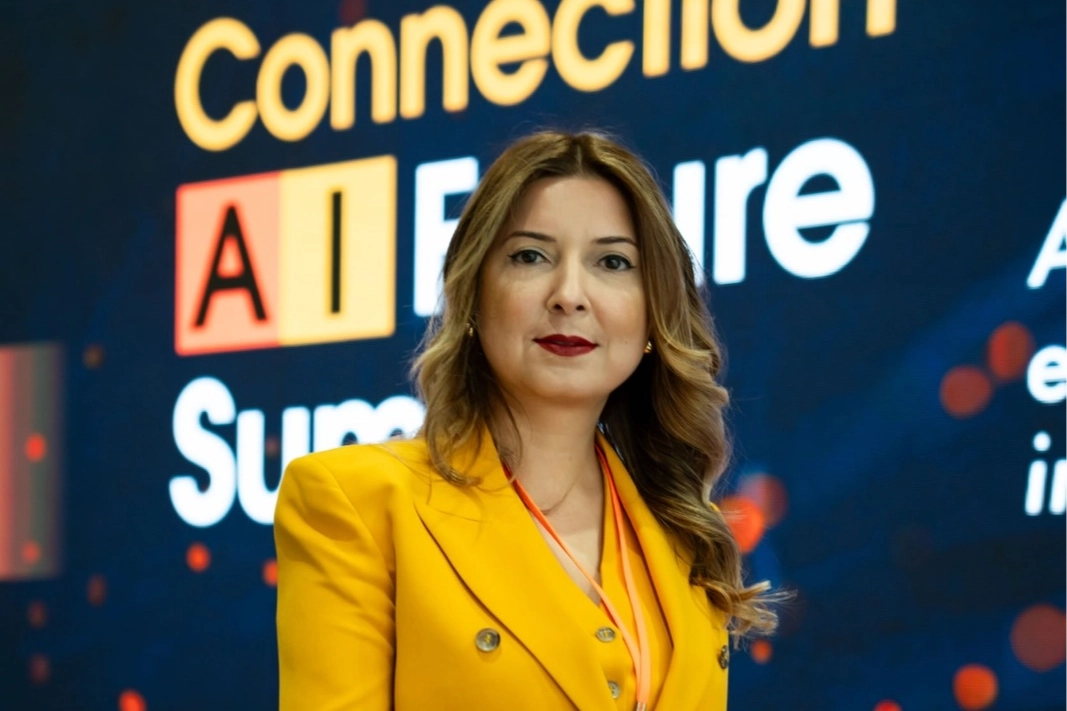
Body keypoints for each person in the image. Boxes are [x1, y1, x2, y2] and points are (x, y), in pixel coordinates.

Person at [274, 130, 779, 710]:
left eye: (613, 262)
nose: (569, 294)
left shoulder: (687, 536)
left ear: (653, 312)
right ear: (472, 295)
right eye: (530, 256)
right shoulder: (355, 502)